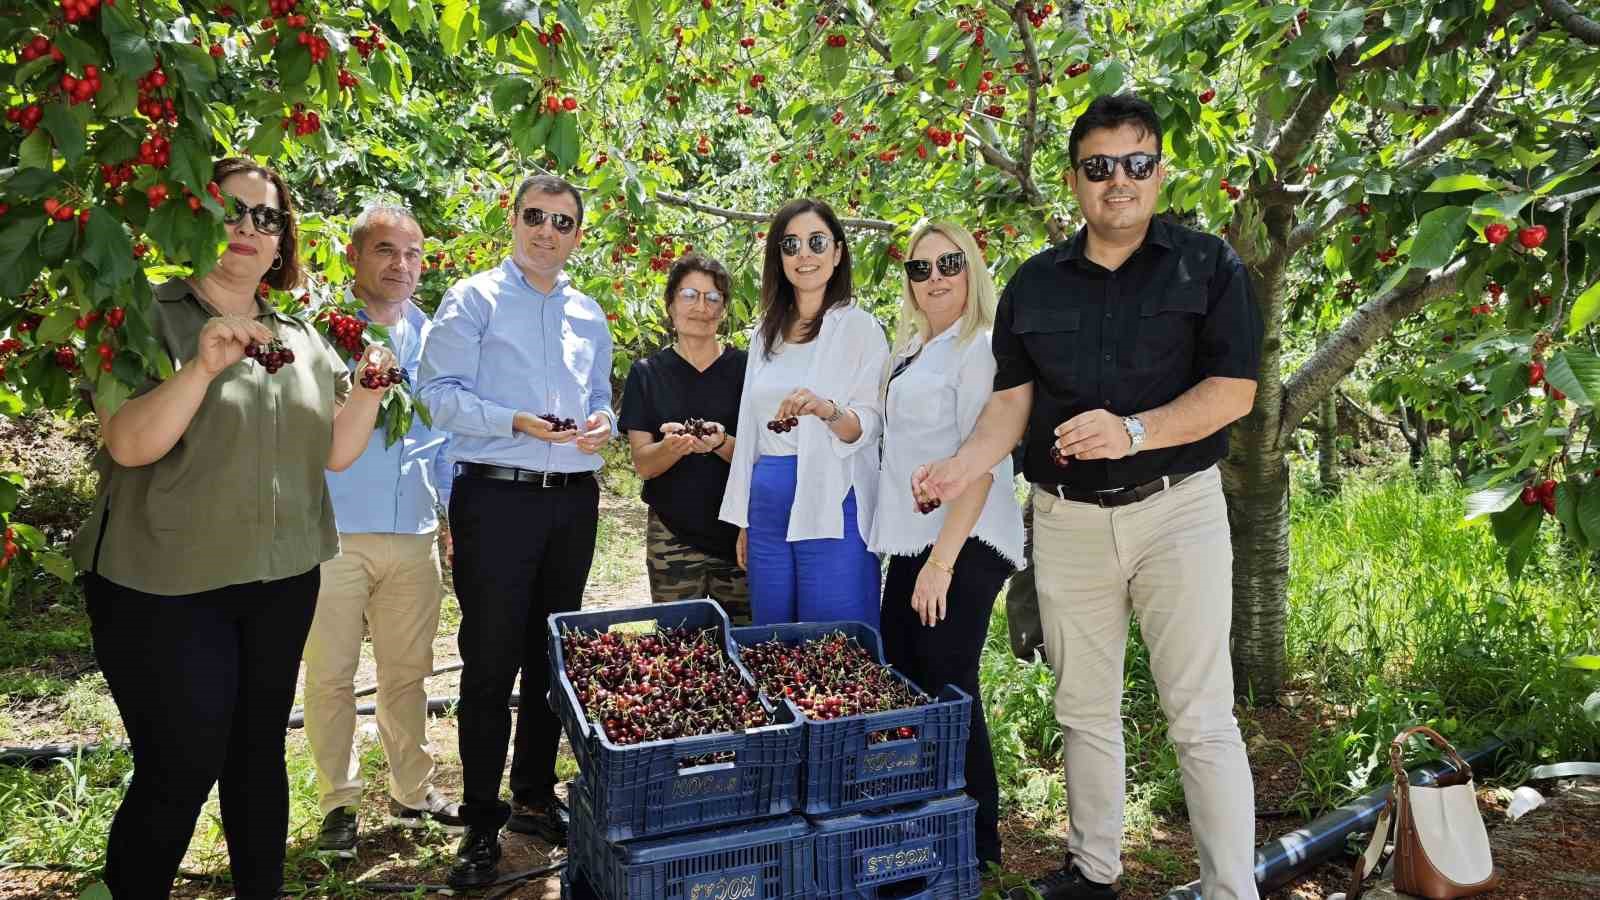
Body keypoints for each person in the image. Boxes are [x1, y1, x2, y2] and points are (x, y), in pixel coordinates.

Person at [914, 94, 1264, 900]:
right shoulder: (1036, 283)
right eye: (1099, 166)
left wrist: (1134, 432)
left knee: (1201, 717)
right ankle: (1093, 872)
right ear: (1074, 180)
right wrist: (962, 466)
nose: (1118, 181)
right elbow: (1011, 404)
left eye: (1136, 163)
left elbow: (1235, 391)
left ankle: (1230, 889)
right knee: (1083, 709)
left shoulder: (1208, 266)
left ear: (1160, 173)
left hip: (1177, 510)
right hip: (1067, 520)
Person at [69, 157, 397, 899]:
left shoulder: (302, 338)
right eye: (231, 210)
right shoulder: (144, 316)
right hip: (164, 587)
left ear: (281, 243)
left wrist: (369, 390)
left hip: (279, 581)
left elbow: (335, 452)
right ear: (195, 217)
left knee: (257, 755)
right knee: (180, 765)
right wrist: (201, 367)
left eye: (266, 216)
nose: (248, 227)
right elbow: (129, 443)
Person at [417, 174, 614, 890]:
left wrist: (604, 425)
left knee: (551, 655)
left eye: (563, 222)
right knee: (491, 658)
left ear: (578, 236)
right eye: (536, 216)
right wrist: (515, 422)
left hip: (572, 502)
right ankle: (479, 820)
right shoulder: (473, 299)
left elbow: (601, 398)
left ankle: (533, 794)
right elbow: (435, 396)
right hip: (496, 498)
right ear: (514, 219)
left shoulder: (588, 313)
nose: (547, 232)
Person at [304, 205, 464, 858]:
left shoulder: (434, 338)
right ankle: (338, 804)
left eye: (413, 253)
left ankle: (412, 790)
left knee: (408, 673)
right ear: (354, 256)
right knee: (331, 675)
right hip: (334, 533)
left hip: (414, 533)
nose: (401, 264)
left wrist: (451, 517)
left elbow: (443, 439)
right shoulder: (322, 332)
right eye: (385, 250)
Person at [870, 221, 1023, 874]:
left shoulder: (978, 347)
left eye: (949, 263)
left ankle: (978, 845)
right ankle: (927, 828)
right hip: (916, 542)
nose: (935, 278)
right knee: (907, 679)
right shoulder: (912, 348)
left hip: (964, 540)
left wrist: (942, 564)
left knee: (947, 684)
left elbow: (979, 463)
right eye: (920, 268)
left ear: (972, 268)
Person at [717, 199, 888, 628]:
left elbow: (870, 425)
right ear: (779, 257)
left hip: (834, 495)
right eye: (790, 245)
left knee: (833, 638)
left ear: (838, 252)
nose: (804, 254)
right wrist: (743, 519)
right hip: (767, 501)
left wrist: (827, 410)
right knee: (773, 636)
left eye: (817, 242)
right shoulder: (765, 333)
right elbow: (749, 430)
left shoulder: (861, 328)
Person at [619, 254, 751, 622]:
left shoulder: (747, 370)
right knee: (680, 642)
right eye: (690, 295)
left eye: (713, 298)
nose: (701, 307)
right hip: (672, 535)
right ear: (670, 304)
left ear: (724, 309)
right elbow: (644, 464)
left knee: (745, 641)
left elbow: (759, 458)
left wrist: (721, 443)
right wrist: (672, 448)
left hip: (738, 534)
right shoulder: (647, 374)